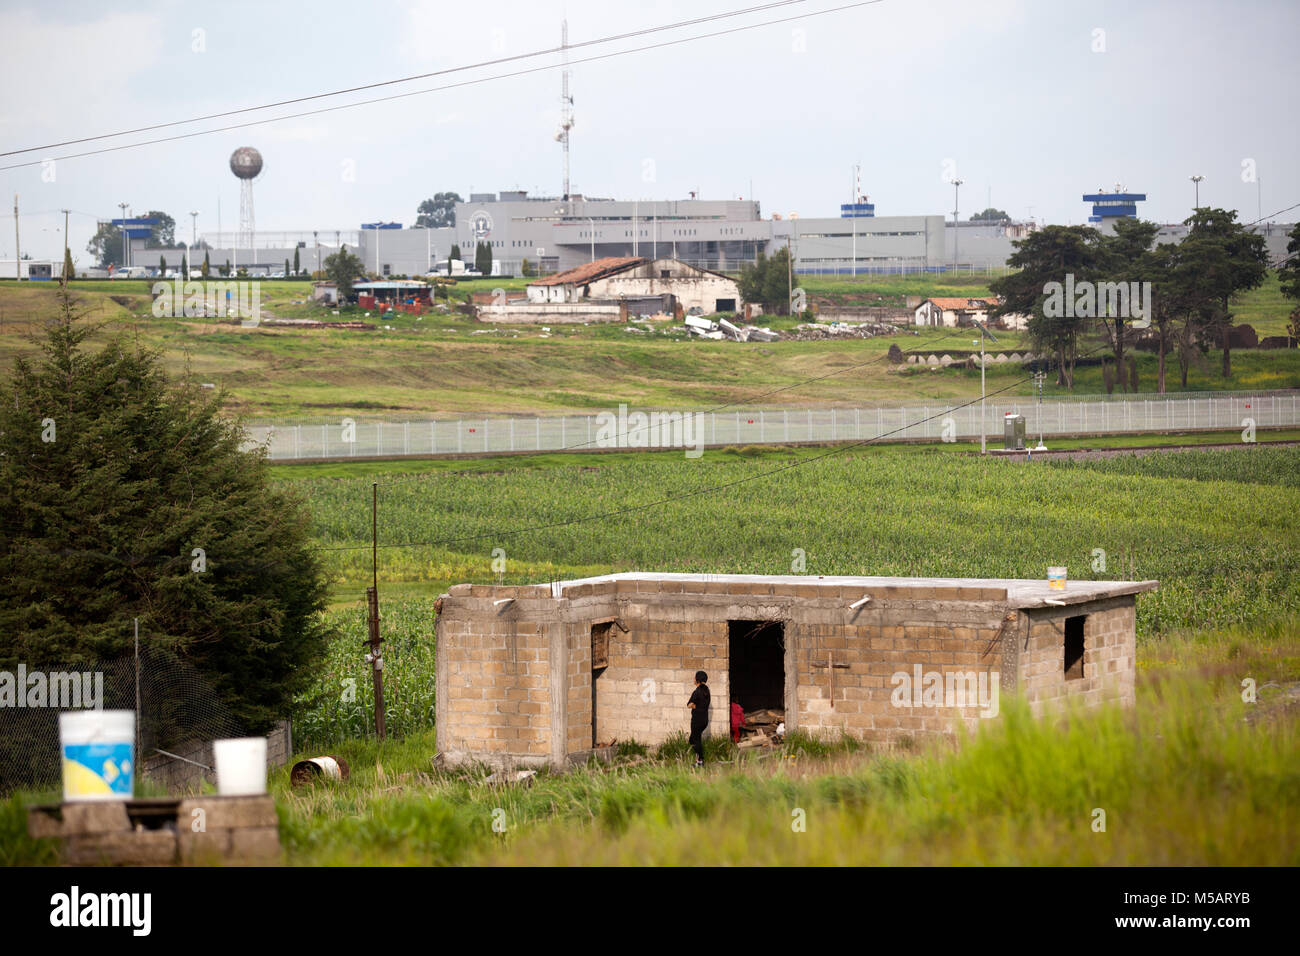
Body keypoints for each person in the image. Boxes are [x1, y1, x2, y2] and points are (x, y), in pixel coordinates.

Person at [687, 670, 710, 767]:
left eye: (694, 677)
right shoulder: (707, 691)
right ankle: (699, 760)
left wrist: (695, 706)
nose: (693, 679)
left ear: (697, 679)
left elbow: (689, 705)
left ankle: (700, 761)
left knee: (693, 740)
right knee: (697, 739)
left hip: (697, 720)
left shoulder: (697, 692)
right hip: (704, 720)